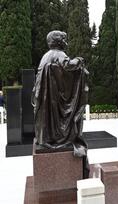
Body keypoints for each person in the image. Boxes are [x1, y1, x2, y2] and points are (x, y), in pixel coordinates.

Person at [32, 30, 89, 158]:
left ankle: (46, 138)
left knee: (47, 118)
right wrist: (79, 60)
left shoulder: (46, 55)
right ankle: (58, 138)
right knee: (56, 118)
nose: (65, 42)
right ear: (59, 42)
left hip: (44, 96)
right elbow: (68, 66)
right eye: (64, 39)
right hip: (53, 96)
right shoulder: (59, 54)